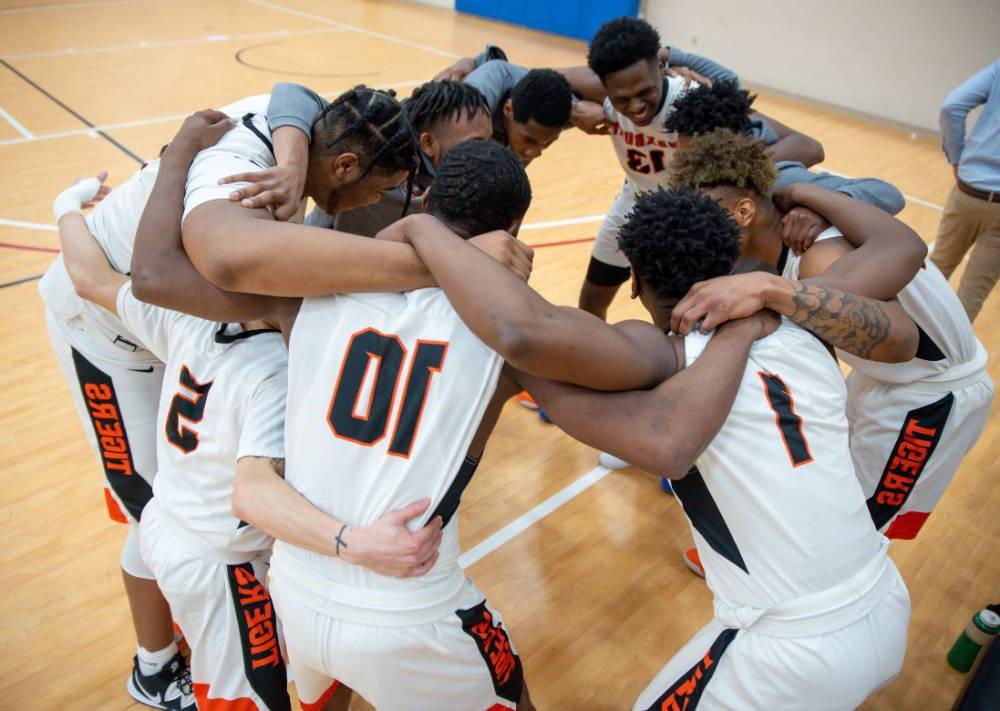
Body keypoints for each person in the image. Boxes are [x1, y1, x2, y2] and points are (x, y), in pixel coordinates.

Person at [399, 187, 911, 709]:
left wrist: (431, 239)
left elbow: (530, 335)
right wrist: (775, 276)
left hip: (792, 646)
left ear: (635, 282)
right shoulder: (805, 325)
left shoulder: (666, 358)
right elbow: (901, 288)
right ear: (729, 261)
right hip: (886, 597)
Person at [54, 112, 449, 711]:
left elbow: (87, 276)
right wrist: (356, 544)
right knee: (248, 698)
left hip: (168, 524)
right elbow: (253, 493)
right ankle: (162, 670)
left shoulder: (183, 317)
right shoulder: (273, 374)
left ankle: (178, 656)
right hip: (220, 562)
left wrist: (65, 206)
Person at [268, 140, 544, 711]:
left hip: (295, 585)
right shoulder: (507, 327)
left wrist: (413, 231)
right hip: (411, 612)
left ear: (422, 197)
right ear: (513, 228)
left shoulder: (317, 286)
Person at [669, 129, 994, 546]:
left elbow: (898, 343)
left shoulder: (820, 256)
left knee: (862, 530)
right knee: (832, 490)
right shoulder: (788, 241)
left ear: (745, 211)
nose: (699, 233)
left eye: (703, 219)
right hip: (882, 380)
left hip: (928, 397)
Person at [930, 58, 1000, 322]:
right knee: (972, 294)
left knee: (934, 273)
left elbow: (952, 106)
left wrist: (957, 157)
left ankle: (908, 349)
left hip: (969, 189)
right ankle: (949, 361)